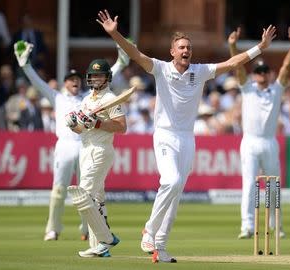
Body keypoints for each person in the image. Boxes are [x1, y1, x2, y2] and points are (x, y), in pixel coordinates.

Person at [96, 9, 276, 263]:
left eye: (188, 47)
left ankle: (162, 246)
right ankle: (149, 229)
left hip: (187, 138)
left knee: (177, 191)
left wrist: (261, 47)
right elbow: (136, 55)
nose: (185, 50)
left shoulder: (200, 71)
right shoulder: (160, 68)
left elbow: (233, 63)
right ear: (172, 52)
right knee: (171, 180)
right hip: (165, 135)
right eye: (181, 47)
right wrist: (115, 34)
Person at [14, 40, 130, 242]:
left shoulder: (89, 97)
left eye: (77, 79)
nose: (74, 82)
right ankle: (53, 229)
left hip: (88, 145)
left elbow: (103, 76)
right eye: (70, 79)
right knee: (60, 190)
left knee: (88, 192)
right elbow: (38, 84)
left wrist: (121, 61)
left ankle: (88, 230)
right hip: (66, 146)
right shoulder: (57, 97)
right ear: (65, 83)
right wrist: (26, 66)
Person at [227, 26, 290, 239]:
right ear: (254, 74)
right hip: (249, 142)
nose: (260, 75)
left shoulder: (276, 89)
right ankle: (247, 226)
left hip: (269, 142)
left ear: (268, 73)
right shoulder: (247, 88)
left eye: (264, 71)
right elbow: (238, 66)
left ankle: (276, 224)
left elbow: (287, 66)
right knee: (249, 184)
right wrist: (232, 46)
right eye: (257, 72)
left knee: (273, 185)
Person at [65, 58, 127, 258]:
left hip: (101, 149)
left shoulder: (110, 98)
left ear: (107, 77)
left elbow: (122, 127)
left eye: (99, 75)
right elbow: (81, 130)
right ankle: (100, 246)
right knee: (97, 201)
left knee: (83, 195)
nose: (95, 78)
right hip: (85, 149)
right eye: (93, 75)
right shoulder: (86, 100)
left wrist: (99, 123)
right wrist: (73, 123)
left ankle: (107, 238)